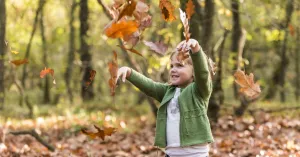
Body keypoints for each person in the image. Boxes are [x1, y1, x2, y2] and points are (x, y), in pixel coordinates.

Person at [116, 39, 214, 157]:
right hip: (170, 154)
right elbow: (150, 86)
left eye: (179, 65)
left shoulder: (198, 91)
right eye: (171, 66)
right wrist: (130, 73)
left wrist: (196, 50)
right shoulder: (168, 91)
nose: (173, 69)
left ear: (194, 72)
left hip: (195, 154)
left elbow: (203, 74)